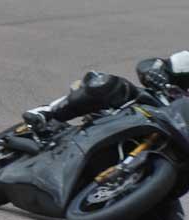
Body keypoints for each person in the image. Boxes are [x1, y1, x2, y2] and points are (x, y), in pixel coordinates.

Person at [23, 52, 189, 220]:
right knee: (107, 84)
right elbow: (154, 64)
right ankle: (47, 112)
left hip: (181, 149)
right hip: (152, 109)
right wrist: (154, 73)